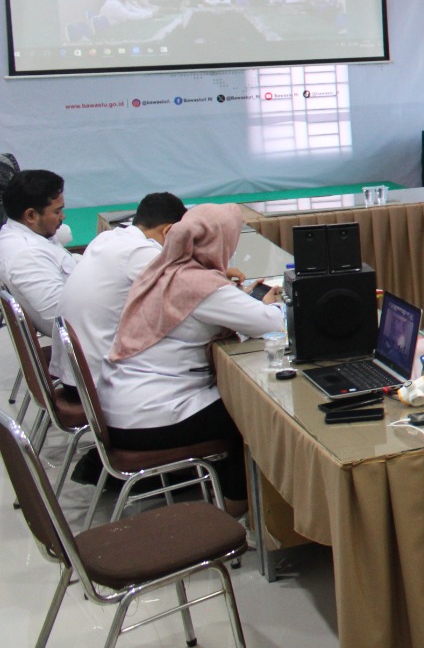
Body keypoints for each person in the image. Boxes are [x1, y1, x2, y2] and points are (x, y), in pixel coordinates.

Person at [104, 204, 283, 515]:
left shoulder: (164, 269)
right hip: (151, 417)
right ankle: (237, 507)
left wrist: (241, 300)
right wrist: (275, 306)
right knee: (254, 412)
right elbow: (272, 325)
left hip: (122, 405)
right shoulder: (200, 286)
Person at [61, 192, 187, 389]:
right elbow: (190, 294)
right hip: (97, 382)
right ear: (168, 231)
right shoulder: (141, 251)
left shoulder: (106, 238)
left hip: (75, 369)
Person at [0, 170, 80, 387]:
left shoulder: (27, 234)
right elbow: (64, 319)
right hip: (83, 350)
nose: (63, 217)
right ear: (31, 216)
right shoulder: (27, 257)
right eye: (57, 211)